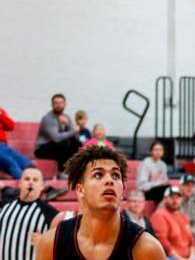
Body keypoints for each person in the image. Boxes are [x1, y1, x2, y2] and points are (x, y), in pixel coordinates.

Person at [35, 145, 166, 260]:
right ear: (80, 190)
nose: (110, 180)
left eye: (115, 176)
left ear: (122, 191)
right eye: (98, 175)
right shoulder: (51, 243)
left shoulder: (147, 248)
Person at [0, 166, 58, 260]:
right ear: (19, 183)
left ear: (42, 186)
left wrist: (45, 243)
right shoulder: (4, 208)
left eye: (35, 180)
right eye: (27, 179)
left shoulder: (50, 213)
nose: (31, 182)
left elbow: (62, 245)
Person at [151, 186, 195, 260]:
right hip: (169, 257)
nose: (175, 200)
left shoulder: (182, 216)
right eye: (172, 197)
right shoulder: (159, 215)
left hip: (188, 257)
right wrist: (180, 258)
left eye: (178, 198)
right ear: (165, 199)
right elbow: (163, 242)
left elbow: (191, 241)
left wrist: (192, 257)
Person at [34, 94, 81, 173]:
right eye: (56, 103)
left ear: (65, 104)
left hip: (58, 147)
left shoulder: (66, 117)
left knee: (77, 143)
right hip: (42, 149)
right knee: (64, 142)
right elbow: (56, 138)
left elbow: (76, 137)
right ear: (52, 105)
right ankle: (62, 172)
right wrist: (73, 131)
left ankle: (75, 171)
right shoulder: (48, 118)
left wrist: (68, 125)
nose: (59, 105)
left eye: (61, 103)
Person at [0, 105, 33, 179]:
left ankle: (45, 186)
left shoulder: (1, 112)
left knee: (27, 164)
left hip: (4, 147)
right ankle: (28, 185)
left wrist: (1, 115)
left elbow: (10, 126)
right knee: (12, 163)